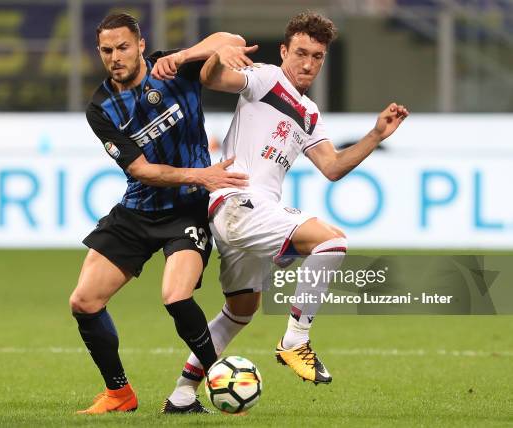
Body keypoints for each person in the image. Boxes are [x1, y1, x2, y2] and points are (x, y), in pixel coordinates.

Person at [165, 10, 409, 408]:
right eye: (301, 53)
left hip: (247, 212)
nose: (308, 64)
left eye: (317, 56)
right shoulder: (265, 78)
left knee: (240, 310)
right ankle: (296, 338)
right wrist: (219, 52)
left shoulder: (310, 114)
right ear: (284, 51)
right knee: (332, 243)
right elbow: (212, 79)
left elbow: (332, 167)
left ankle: (181, 393)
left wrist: (376, 134)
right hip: (238, 202)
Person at [68, 13, 249, 414]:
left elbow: (230, 37)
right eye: (106, 50)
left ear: (141, 45)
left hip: (186, 210)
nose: (115, 57)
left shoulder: (176, 69)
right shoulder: (102, 107)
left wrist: (183, 54)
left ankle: (217, 377)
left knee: (175, 295)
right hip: (137, 211)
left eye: (123, 47)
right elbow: (141, 170)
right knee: (84, 301)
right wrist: (201, 175)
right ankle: (119, 393)